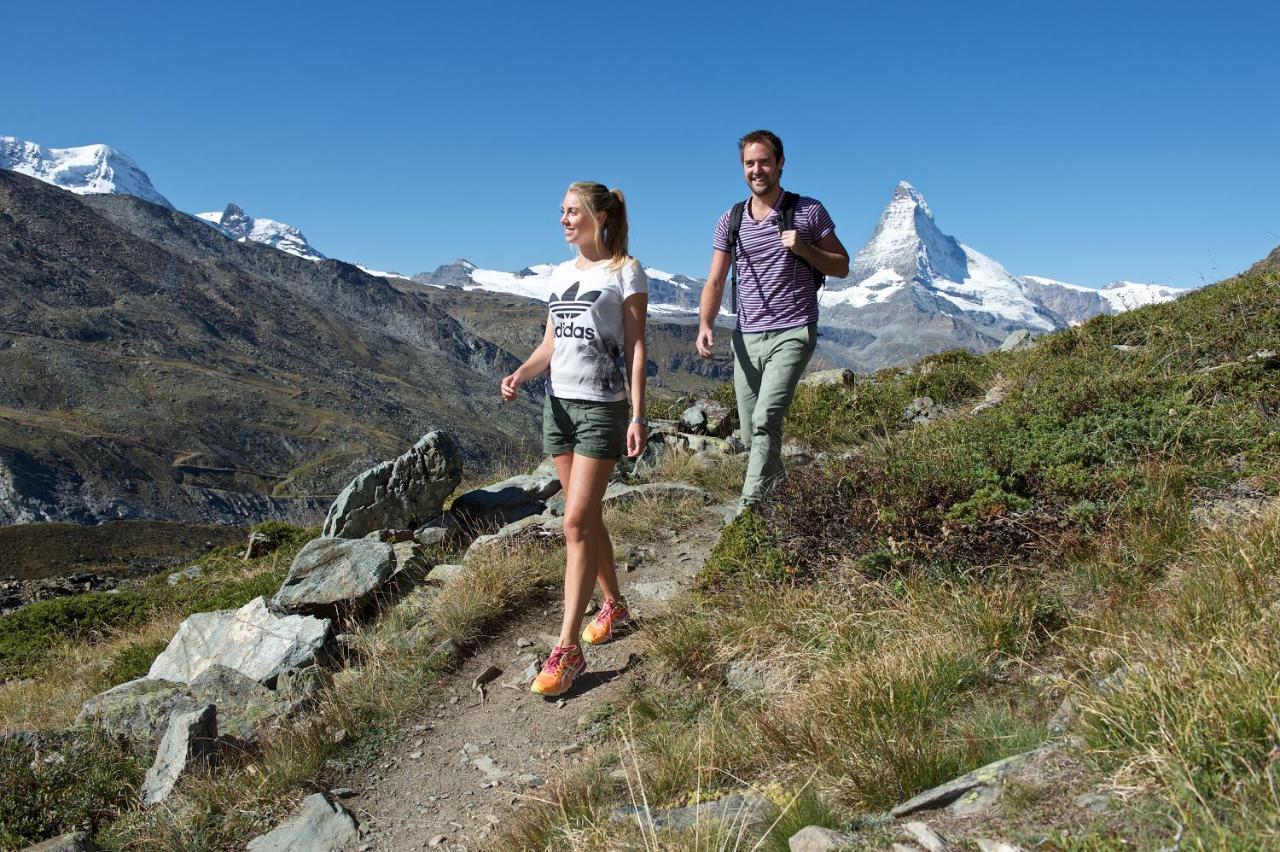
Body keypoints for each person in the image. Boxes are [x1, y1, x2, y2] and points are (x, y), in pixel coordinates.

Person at [501, 181, 649, 698]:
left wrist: (637, 414)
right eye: (561, 212)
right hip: (558, 409)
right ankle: (615, 605)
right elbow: (550, 343)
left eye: (572, 212)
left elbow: (635, 347)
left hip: (602, 411)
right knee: (585, 520)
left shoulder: (625, 271)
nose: (564, 220)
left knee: (574, 522)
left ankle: (567, 649)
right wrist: (521, 372)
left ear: (598, 216)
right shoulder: (561, 274)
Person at [696, 129, 850, 512]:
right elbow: (715, 279)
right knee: (750, 436)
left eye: (765, 161)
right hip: (746, 336)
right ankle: (783, 496)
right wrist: (705, 324)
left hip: (794, 329)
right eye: (750, 163)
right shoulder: (730, 220)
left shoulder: (808, 211)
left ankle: (749, 516)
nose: (757, 169)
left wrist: (803, 247)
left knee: (766, 420)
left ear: (780, 163)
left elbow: (843, 266)